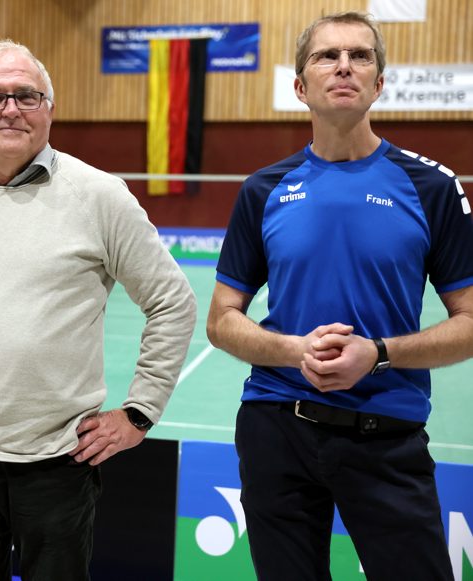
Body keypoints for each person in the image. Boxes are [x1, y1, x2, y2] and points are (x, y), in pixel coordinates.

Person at [0, 40, 196, 581]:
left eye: (26, 96)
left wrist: (140, 412)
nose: (10, 109)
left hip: (58, 464)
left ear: (49, 108)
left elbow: (172, 302)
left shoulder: (101, 196)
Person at [206, 11, 473, 581]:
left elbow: (470, 323)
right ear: (301, 86)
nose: (344, 66)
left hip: (387, 438)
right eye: (327, 56)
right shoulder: (262, 190)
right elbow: (222, 319)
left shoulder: (432, 187)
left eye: (361, 56)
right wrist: (293, 351)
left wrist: (377, 354)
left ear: (379, 84)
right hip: (276, 430)